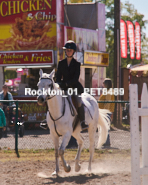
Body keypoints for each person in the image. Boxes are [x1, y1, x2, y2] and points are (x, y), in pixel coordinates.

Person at [56, 40, 88, 131]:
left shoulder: (77, 64)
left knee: (78, 101)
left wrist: (66, 83)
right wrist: (58, 83)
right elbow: (58, 76)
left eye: (70, 50)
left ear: (73, 51)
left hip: (74, 87)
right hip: (63, 87)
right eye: (67, 50)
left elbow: (75, 78)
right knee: (51, 97)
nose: (68, 51)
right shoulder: (61, 63)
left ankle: (82, 121)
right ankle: (46, 121)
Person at [98, 78, 115, 147]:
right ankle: (105, 141)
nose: (103, 84)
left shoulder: (109, 91)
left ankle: (106, 142)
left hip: (106, 112)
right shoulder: (106, 91)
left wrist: (103, 112)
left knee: (105, 127)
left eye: (104, 83)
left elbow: (108, 104)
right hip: (104, 111)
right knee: (104, 127)